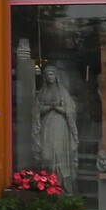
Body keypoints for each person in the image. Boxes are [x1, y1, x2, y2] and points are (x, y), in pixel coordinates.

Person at [34, 64, 80, 193]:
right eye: (47, 75)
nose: (50, 77)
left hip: (60, 126)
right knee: (46, 154)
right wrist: (48, 108)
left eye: (52, 74)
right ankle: (47, 184)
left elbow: (71, 110)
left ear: (56, 76)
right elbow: (36, 111)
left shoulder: (62, 92)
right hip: (46, 126)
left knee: (59, 153)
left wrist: (59, 108)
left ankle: (61, 186)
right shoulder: (42, 92)